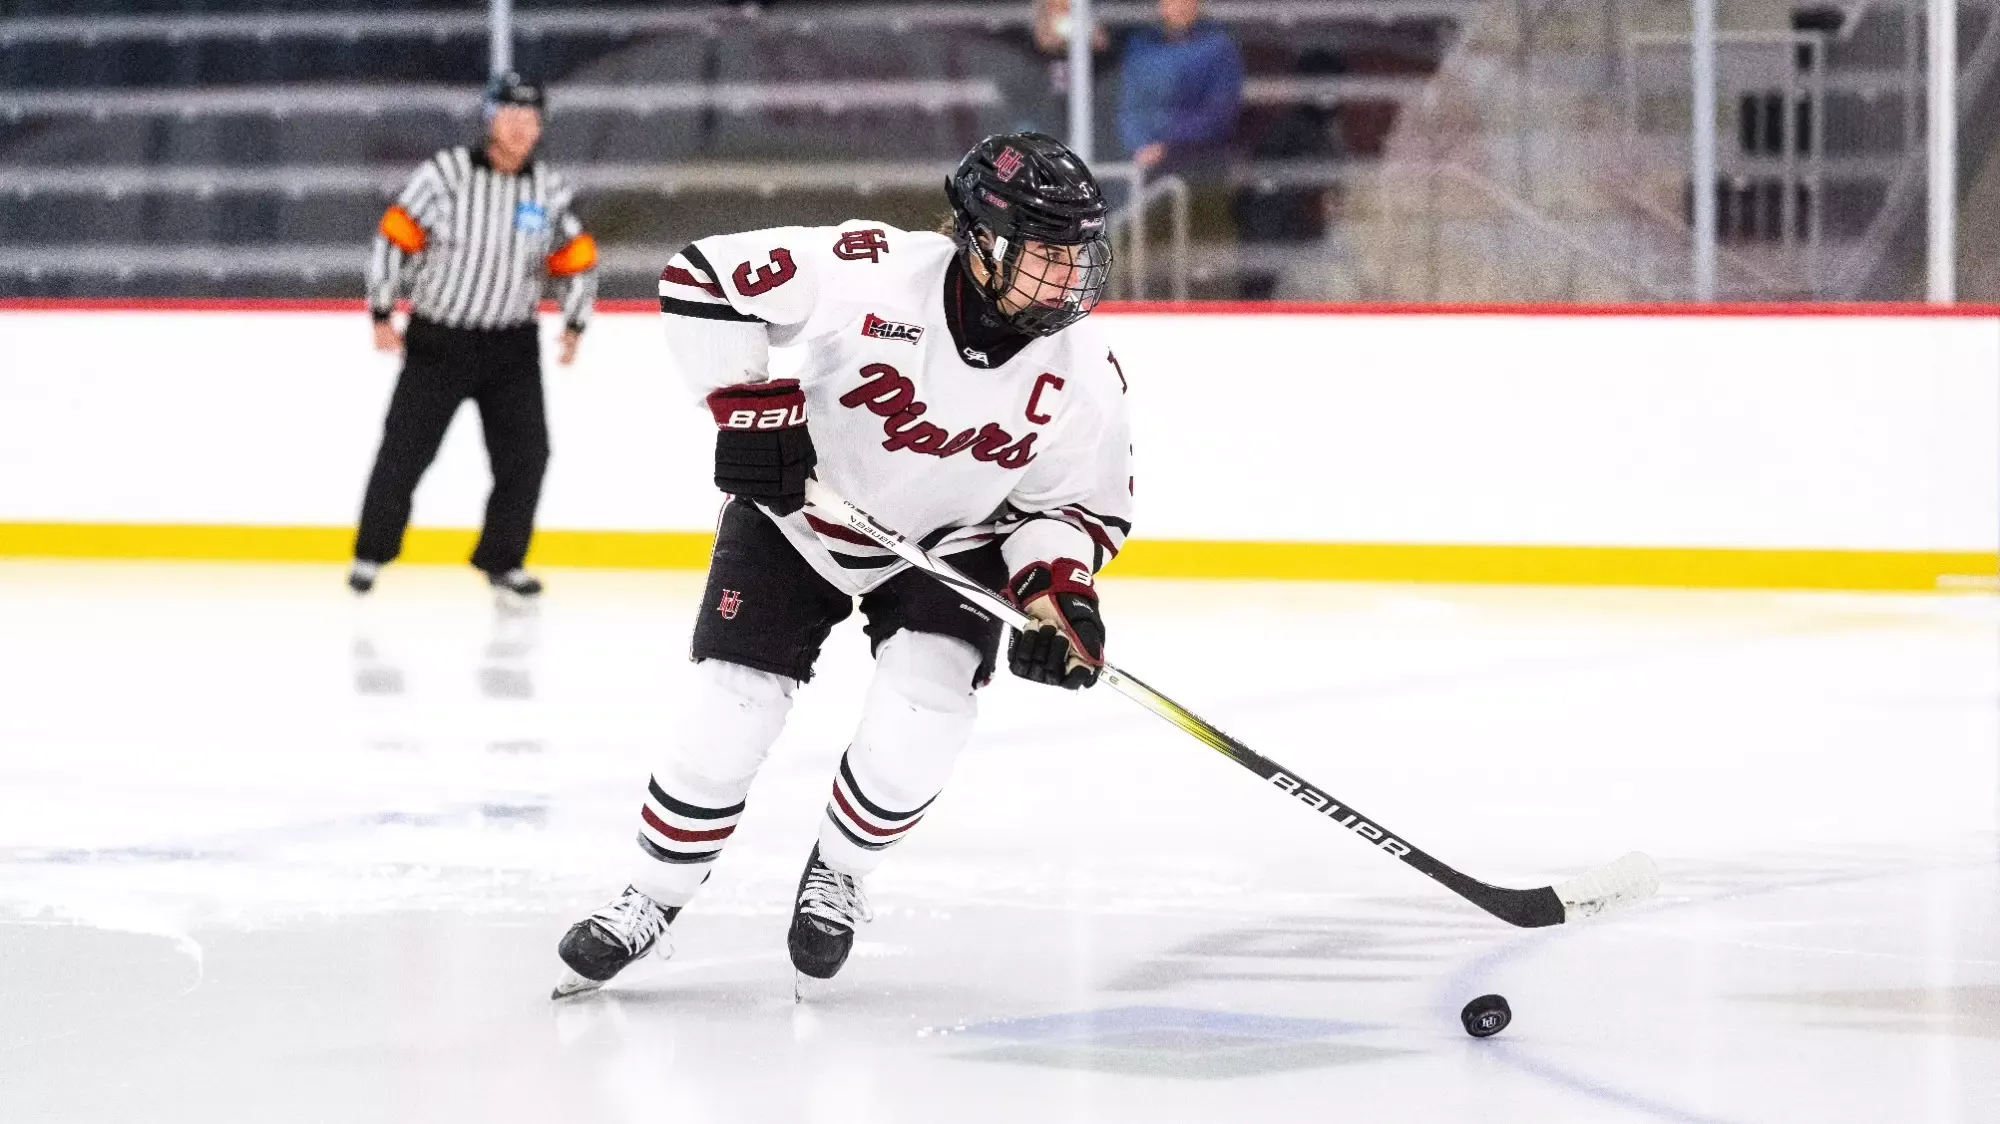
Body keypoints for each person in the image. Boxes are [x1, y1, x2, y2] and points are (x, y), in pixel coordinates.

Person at [551, 133, 1133, 997]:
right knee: (729, 710)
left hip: (946, 547)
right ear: (979, 238)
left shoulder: (1083, 371)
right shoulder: (867, 270)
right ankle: (655, 891)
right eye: (1044, 253)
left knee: (926, 710)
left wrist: (1055, 600)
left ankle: (843, 868)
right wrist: (753, 412)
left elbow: (1070, 509)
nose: (1066, 277)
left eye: (1074, 254)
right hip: (799, 515)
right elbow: (701, 275)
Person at [351, 72, 598, 607]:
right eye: (511, 116)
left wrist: (575, 323)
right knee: (405, 451)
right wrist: (380, 310)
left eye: (531, 119)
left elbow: (576, 258)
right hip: (440, 339)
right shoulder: (446, 174)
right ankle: (371, 552)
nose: (521, 128)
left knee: (527, 456)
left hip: (512, 344)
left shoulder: (547, 189)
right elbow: (395, 236)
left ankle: (502, 560)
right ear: (491, 119)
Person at [1116, 0, 1244, 176]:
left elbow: (1219, 114)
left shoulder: (1219, 48)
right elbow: (1130, 105)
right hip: (1145, 166)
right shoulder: (1141, 46)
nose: (1179, 5)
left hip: (1200, 166)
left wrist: (1166, 145)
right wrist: (1141, 144)